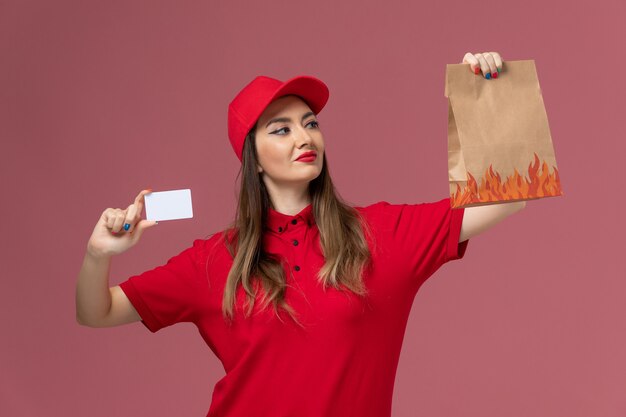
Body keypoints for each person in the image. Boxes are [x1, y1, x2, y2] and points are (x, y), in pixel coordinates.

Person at [76, 51, 524, 417]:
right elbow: (96, 311)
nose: (304, 137)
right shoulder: (214, 261)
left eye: (310, 123)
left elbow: (510, 196)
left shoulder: (381, 234)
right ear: (252, 157)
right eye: (281, 129)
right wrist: (99, 252)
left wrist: (487, 96)